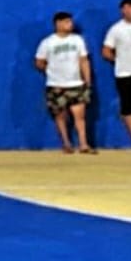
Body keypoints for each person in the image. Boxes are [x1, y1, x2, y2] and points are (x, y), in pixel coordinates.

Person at [36, 11, 94, 154]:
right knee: (60, 116)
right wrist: (51, 72)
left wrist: (87, 79)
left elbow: (83, 60)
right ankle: (66, 143)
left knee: (79, 116)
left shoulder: (78, 40)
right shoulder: (47, 42)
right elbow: (39, 62)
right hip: (56, 85)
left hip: (76, 84)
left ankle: (83, 144)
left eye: (71, 21)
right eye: (67, 22)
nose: (70, 24)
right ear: (58, 24)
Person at [102, 0, 131, 143]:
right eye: (129, 7)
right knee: (128, 108)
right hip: (125, 74)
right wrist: (119, 60)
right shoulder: (116, 29)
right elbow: (106, 51)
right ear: (123, 10)